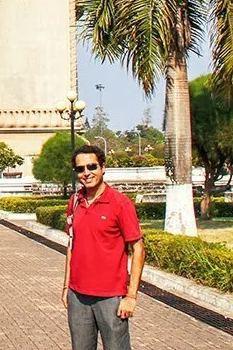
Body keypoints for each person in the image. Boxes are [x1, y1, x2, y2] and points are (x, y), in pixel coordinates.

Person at [62, 144, 145, 350]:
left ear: (103, 167)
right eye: (80, 169)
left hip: (111, 297)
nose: (86, 173)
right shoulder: (74, 202)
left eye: (92, 167)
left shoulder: (120, 204)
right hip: (78, 296)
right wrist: (66, 287)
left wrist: (131, 296)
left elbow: (138, 249)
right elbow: (71, 246)